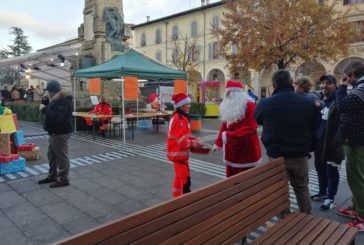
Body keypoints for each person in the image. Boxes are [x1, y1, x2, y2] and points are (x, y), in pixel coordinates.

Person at [255, 69, 319, 214]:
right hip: (300, 154)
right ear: (291, 82)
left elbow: (258, 119)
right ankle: (306, 216)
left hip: (276, 155)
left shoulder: (266, 103)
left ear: (274, 85)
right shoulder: (307, 102)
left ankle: (284, 221)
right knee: (302, 187)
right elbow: (315, 124)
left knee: (280, 189)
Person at [336, 61, 364, 231]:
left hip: (359, 140)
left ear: (352, 74)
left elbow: (342, 106)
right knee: (355, 175)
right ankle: (356, 206)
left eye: (346, 76)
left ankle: (362, 215)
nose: (346, 79)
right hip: (356, 138)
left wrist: (341, 88)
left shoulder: (361, 88)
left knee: (357, 177)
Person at [213, 80, 262, 177]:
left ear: (236, 94)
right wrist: (218, 143)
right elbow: (224, 126)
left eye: (229, 94)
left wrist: (228, 137)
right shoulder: (228, 106)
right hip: (231, 149)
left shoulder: (249, 106)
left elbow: (250, 127)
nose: (227, 96)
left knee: (245, 181)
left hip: (246, 148)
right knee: (231, 179)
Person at [310, 75, 343, 210]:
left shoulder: (339, 100)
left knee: (331, 171)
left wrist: (337, 142)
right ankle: (322, 192)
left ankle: (331, 198)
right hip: (319, 142)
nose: (324, 86)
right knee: (320, 168)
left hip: (332, 143)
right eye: (322, 83)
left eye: (328, 83)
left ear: (335, 85)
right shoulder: (318, 99)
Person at [38, 80, 73, 188]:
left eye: (48, 91)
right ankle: (52, 175)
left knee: (62, 157)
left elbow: (57, 117)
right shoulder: (56, 99)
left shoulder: (63, 100)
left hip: (60, 133)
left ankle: (63, 179)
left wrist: (44, 110)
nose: (47, 93)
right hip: (54, 132)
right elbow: (53, 110)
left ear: (52, 91)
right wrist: (45, 104)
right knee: (52, 155)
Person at [166, 93, 202, 198]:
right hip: (178, 155)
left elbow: (184, 134)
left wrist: (192, 137)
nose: (189, 106)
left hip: (178, 155)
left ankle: (176, 198)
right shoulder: (180, 119)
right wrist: (196, 144)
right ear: (182, 106)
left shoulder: (181, 117)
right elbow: (181, 141)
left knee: (178, 178)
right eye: (188, 104)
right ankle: (185, 202)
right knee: (185, 181)